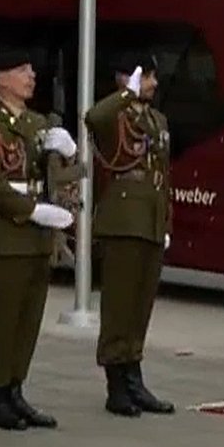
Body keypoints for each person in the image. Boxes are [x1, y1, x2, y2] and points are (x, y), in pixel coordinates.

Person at [0, 50, 75, 431]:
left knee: (29, 319)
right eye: (22, 70)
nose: (31, 75)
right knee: (6, 317)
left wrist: (68, 153)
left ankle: (15, 388)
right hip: (5, 234)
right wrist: (32, 210)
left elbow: (54, 176)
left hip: (37, 239)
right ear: (1, 78)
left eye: (30, 68)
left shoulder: (37, 123)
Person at [85, 55, 175, 414]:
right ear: (128, 78)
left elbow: (163, 175)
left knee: (140, 306)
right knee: (120, 305)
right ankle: (116, 384)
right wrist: (126, 94)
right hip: (123, 220)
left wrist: (165, 221)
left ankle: (134, 375)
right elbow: (93, 118)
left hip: (150, 219)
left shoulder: (156, 119)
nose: (153, 83)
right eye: (146, 76)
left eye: (152, 75)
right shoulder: (116, 114)